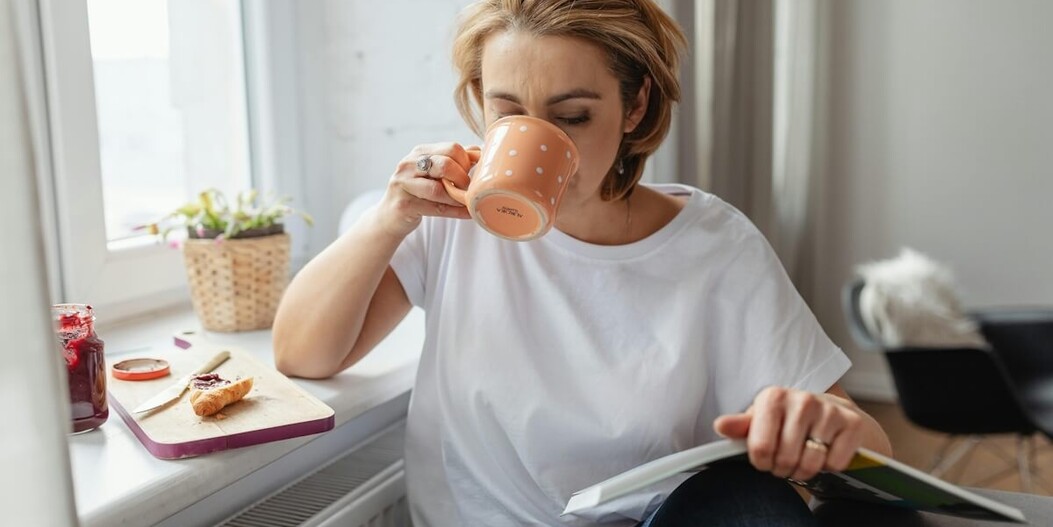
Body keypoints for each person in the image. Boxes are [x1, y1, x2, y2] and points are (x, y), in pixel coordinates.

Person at [273, 1, 892, 525]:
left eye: (572, 117)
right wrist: (390, 217)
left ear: (635, 107)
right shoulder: (448, 222)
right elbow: (304, 354)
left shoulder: (713, 244)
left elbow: (872, 450)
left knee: (753, 503)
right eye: (508, 113)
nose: (538, 140)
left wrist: (825, 428)